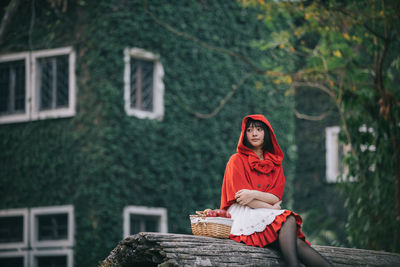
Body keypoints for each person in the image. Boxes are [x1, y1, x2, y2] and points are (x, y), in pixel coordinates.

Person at [220, 114, 333, 267]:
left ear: (266, 133)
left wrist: (253, 193)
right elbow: (242, 199)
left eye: (259, 129)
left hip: (266, 214)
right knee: (289, 219)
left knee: (297, 244)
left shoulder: (275, 164)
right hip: (242, 213)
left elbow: (275, 196)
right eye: (249, 130)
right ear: (244, 134)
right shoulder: (236, 160)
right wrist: (270, 208)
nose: (254, 134)